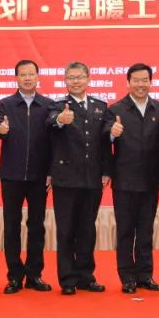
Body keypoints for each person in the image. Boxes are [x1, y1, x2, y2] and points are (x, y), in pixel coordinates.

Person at [47, 61, 114, 295]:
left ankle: (86, 276)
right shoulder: (57, 105)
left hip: (92, 178)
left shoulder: (100, 106)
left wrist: (106, 171)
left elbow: (104, 141)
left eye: (79, 77)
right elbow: (50, 123)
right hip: (65, 178)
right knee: (66, 230)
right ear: (65, 81)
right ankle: (67, 279)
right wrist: (60, 120)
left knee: (87, 229)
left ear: (88, 79)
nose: (75, 81)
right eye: (71, 78)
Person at [0, 59, 55, 294]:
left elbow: (55, 141)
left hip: (39, 176)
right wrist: (0, 129)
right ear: (16, 78)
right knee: (11, 226)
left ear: (38, 77)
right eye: (23, 74)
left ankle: (34, 275)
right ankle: (15, 276)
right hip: (12, 175)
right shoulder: (6, 104)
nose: (28, 78)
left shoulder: (48, 105)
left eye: (31, 74)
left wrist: (51, 172)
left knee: (37, 226)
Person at [107, 63, 159, 294]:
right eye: (136, 80)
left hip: (151, 180)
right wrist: (111, 134)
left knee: (145, 231)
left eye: (145, 80)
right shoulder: (116, 109)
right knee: (125, 231)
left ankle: (145, 275)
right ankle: (127, 277)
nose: (141, 84)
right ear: (128, 82)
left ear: (150, 82)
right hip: (124, 180)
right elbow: (104, 141)